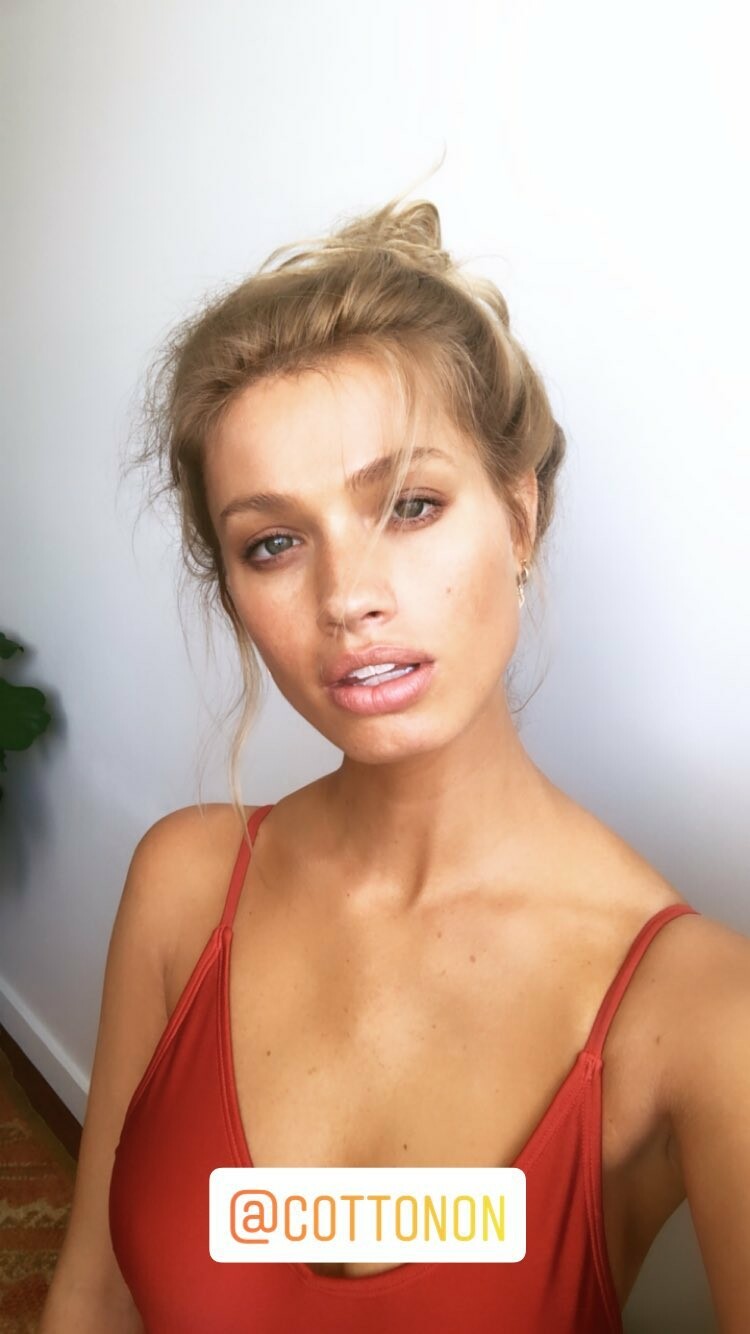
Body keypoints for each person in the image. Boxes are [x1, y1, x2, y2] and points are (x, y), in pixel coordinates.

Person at [40, 190, 750, 1334]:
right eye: (275, 542)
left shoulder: (701, 1015)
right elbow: (96, 1289)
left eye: (410, 505)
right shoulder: (183, 884)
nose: (348, 595)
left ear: (519, 514)